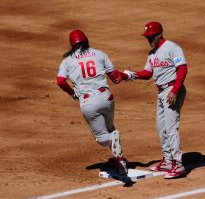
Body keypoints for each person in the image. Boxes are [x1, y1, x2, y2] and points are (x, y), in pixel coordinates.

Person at [56, 29, 129, 175]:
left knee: (103, 138)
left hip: (89, 102)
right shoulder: (99, 53)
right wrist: (126, 75)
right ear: (86, 40)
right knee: (110, 128)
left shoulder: (68, 60)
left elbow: (60, 81)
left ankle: (111, 138)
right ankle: (121, 163)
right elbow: (115, 77)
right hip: (107, 98)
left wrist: (72, 93)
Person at [123, 22, 188, 179]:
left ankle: (178, 165)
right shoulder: (152, 54)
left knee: (171, 128)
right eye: (147, 37)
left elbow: (182, 69)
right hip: (161, 93)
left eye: (151, 36)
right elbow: (147, 73)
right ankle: (167, 160)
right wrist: (133, 75)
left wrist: (174, 90)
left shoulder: (172, 48)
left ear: (159, 34)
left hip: (173, 91)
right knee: (161, 127)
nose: (149, 39)